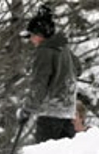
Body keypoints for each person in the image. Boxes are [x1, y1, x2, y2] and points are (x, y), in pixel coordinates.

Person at [17, 4, 79, 144]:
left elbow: (39, 83)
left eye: (32, 36)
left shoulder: (44, 51)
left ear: (40, 35)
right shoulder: (64, 48)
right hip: (68, 112)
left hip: (50, 113)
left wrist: (27, 109)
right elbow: (78, 69)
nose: (31, 40)